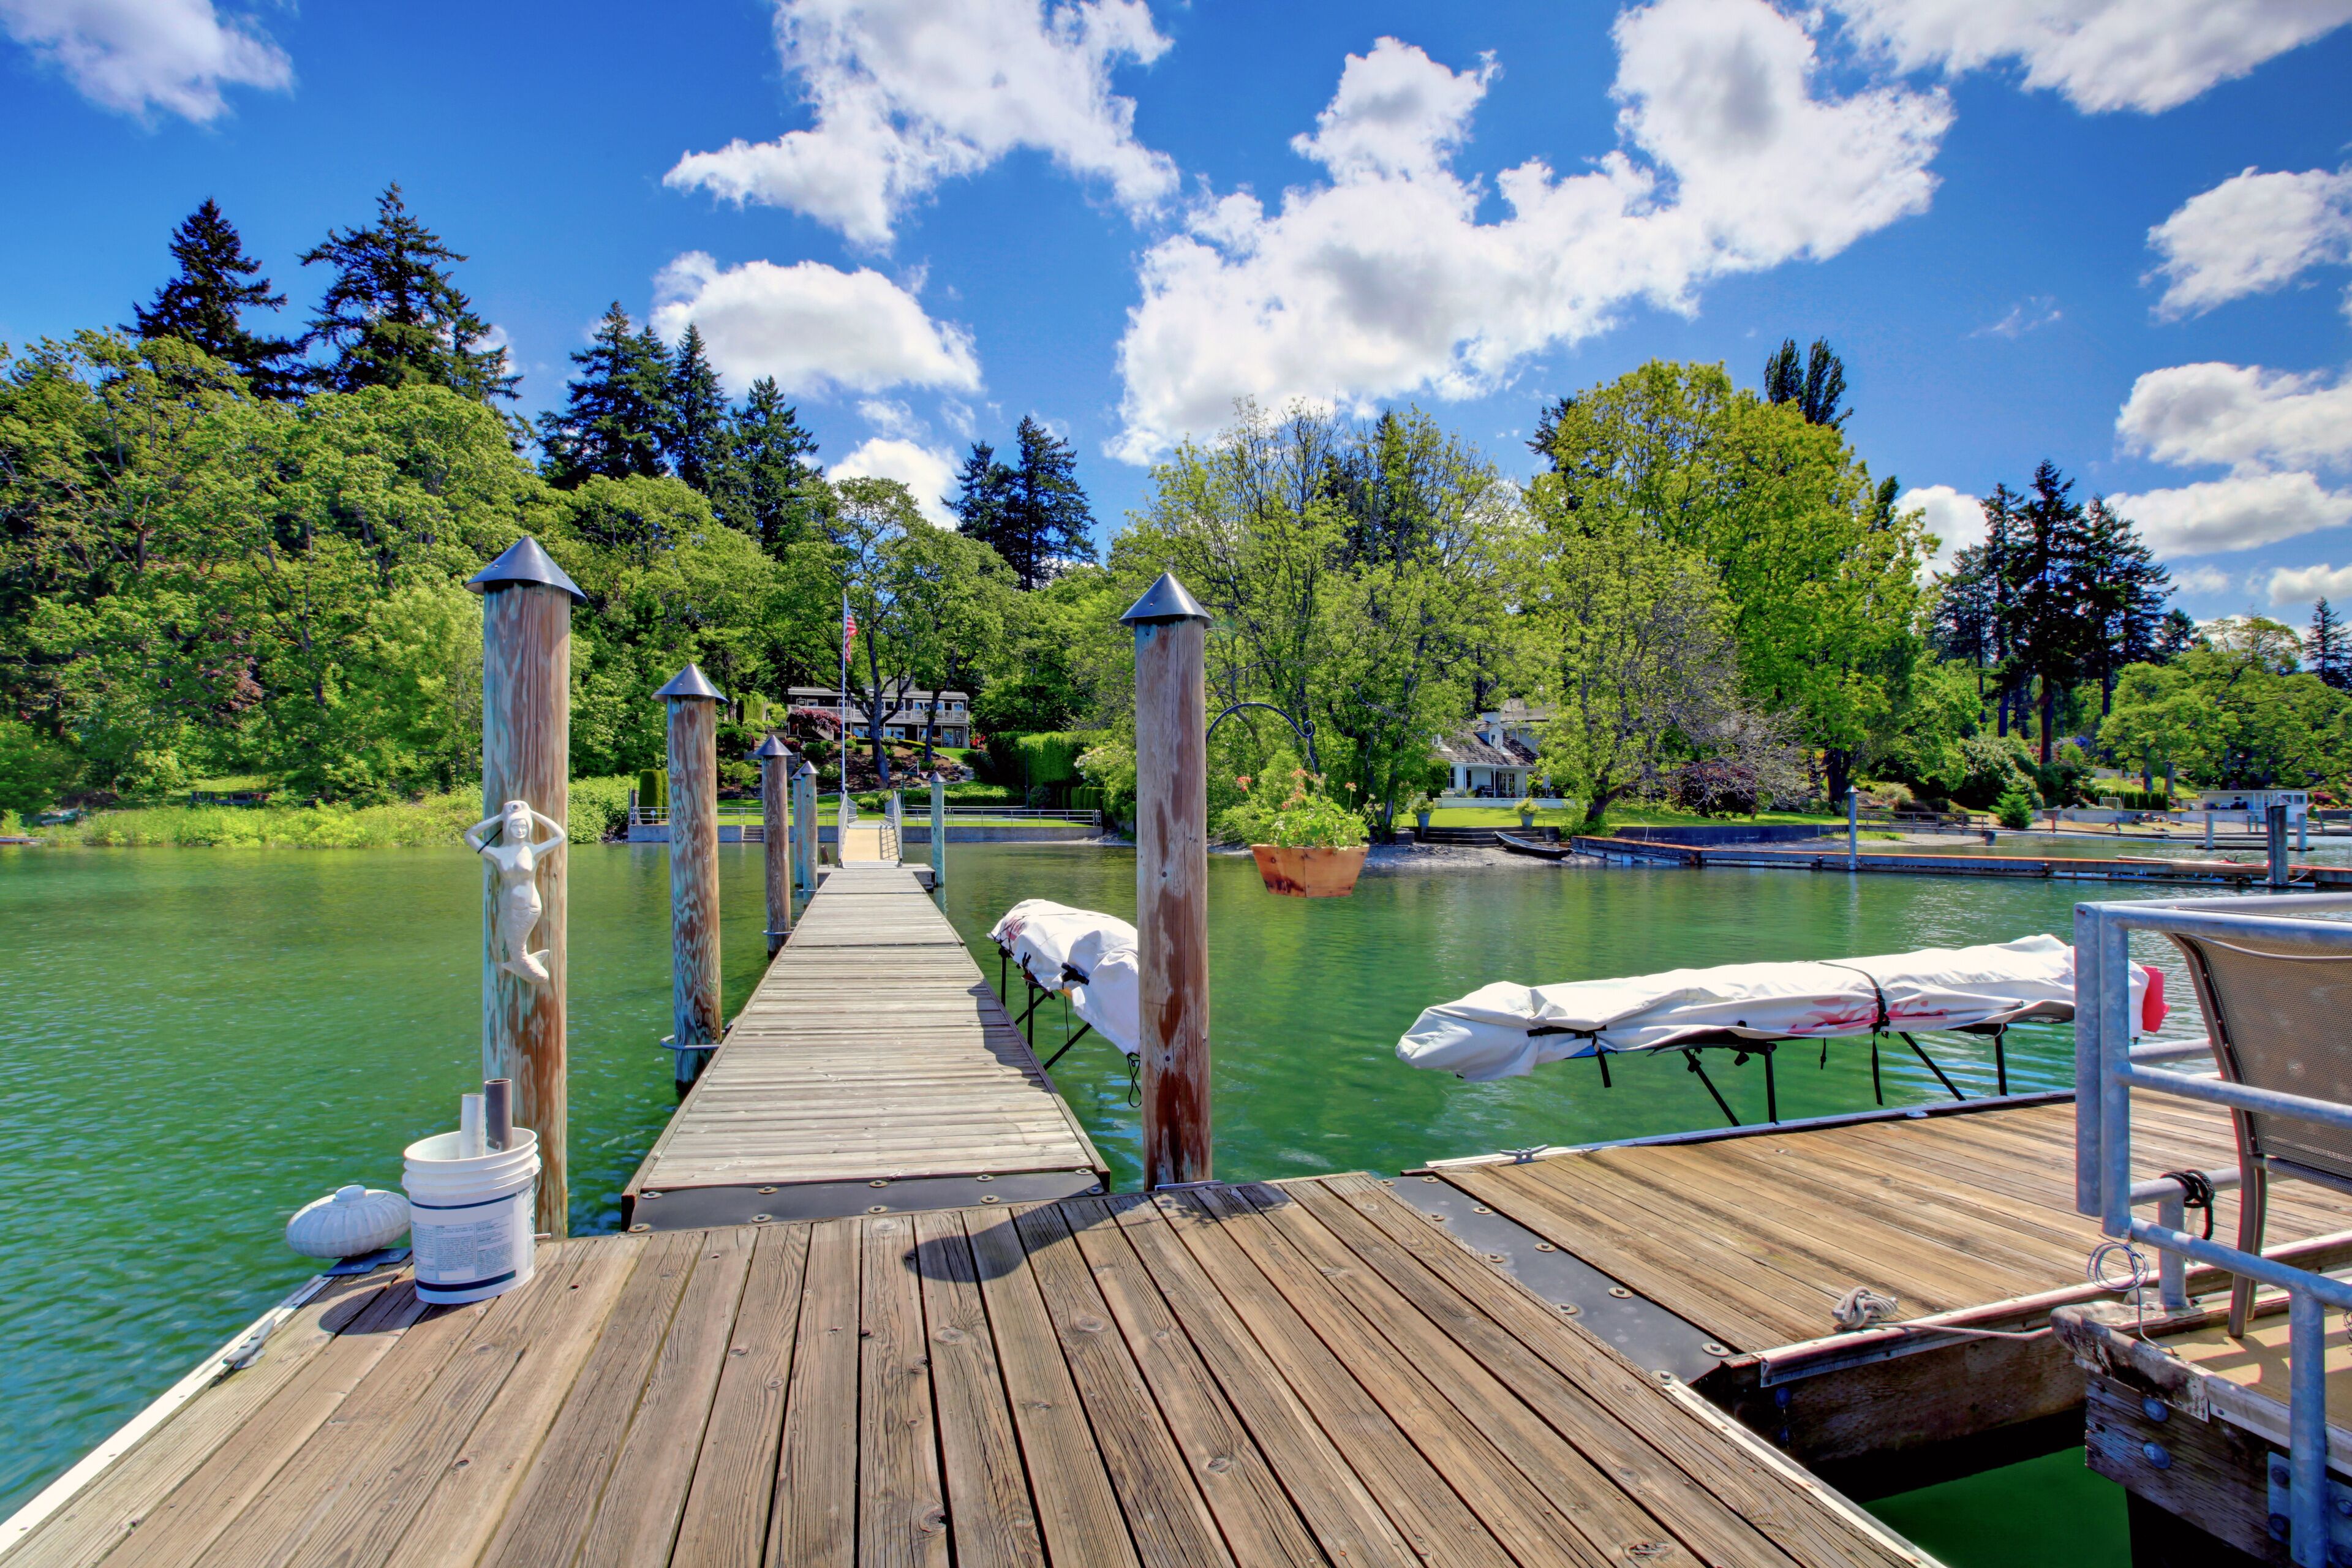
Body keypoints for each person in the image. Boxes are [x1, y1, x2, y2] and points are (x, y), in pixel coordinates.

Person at [464, 799, 567, 984]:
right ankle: (522, 966)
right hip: (508, 904)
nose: (520, 830)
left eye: (524, 827)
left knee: (519, 946)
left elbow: (560, 836)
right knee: (515, 947)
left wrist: (532, 813)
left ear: (529, 828)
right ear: (507, 829)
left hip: (530, 905)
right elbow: (470, 835)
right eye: (515, 827)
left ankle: (528, 969)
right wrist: (501, 818)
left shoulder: (533, 850)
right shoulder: (497, 853)